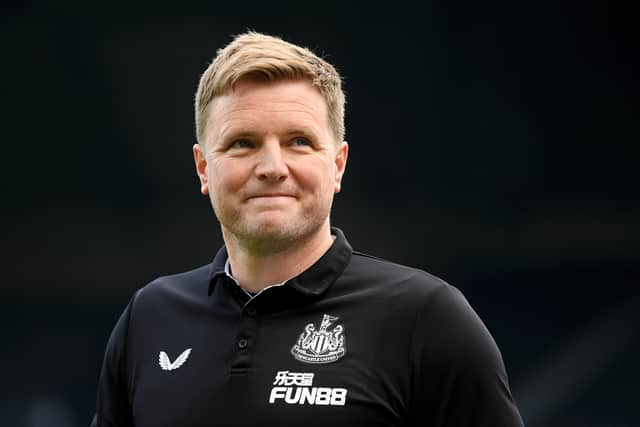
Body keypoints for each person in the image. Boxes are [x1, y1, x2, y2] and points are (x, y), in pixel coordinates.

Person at [91, 32, 524, 427]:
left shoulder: (426, 319)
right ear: (204, 168)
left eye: (299, 141)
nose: (272, 168)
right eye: (242, 143)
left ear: (338, 165)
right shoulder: (148, 319)